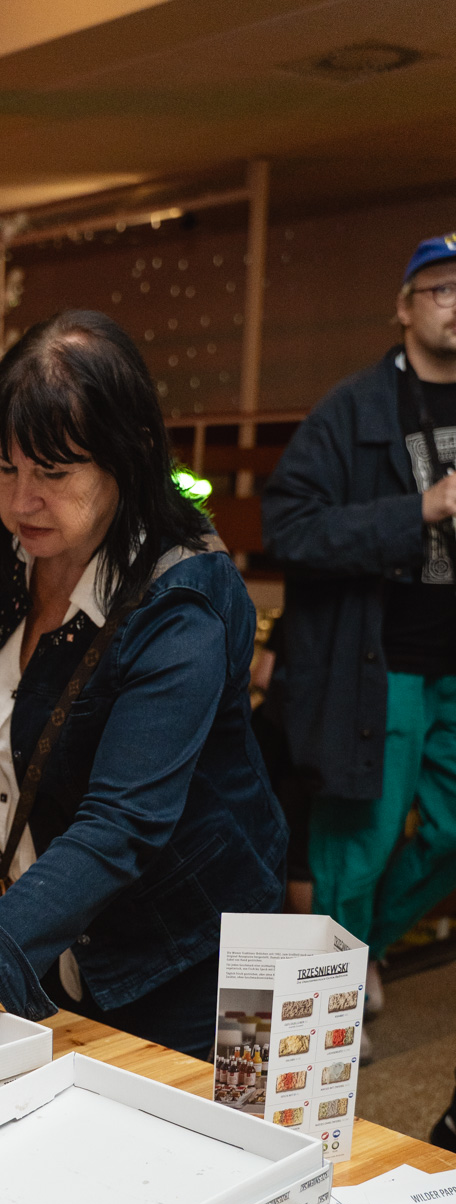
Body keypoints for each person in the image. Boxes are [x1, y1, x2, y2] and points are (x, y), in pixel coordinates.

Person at [0, 309, 287, 1074]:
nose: (20, 501)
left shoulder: (180, 600)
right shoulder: (16, 561)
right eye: (4, 469)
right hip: (63, 943)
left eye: (53, 474)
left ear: (129, 457)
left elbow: (122, 823)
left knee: (190, 1137)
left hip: (189, 954)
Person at [264, 233, 456, 1018]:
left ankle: (360, 951)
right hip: (380, 665)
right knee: (357, 850)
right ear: (404, 308)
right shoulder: (353, 408)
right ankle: (332, 1020)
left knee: (450, 836)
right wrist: (420, 510)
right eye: (441, 289)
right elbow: (288, 529)